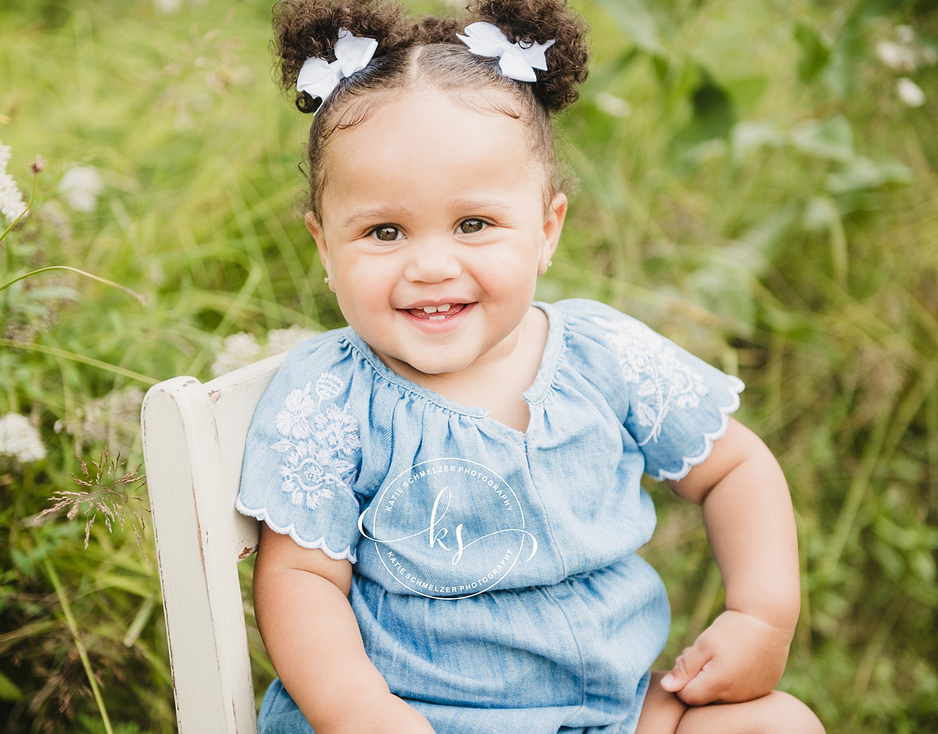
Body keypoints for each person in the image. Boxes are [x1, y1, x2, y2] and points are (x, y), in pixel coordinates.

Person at [235, 0, 825, 731]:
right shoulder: (333, 395)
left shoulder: (600, 354)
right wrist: (363, 713)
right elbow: (300, 577)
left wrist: (760, 617)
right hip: (421, 715)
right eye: (383, 231)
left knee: (777, 723)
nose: (430, 265)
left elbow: (735, 468)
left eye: (473, 224)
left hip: (618, 711)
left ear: (547, 230)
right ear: (326, 249)